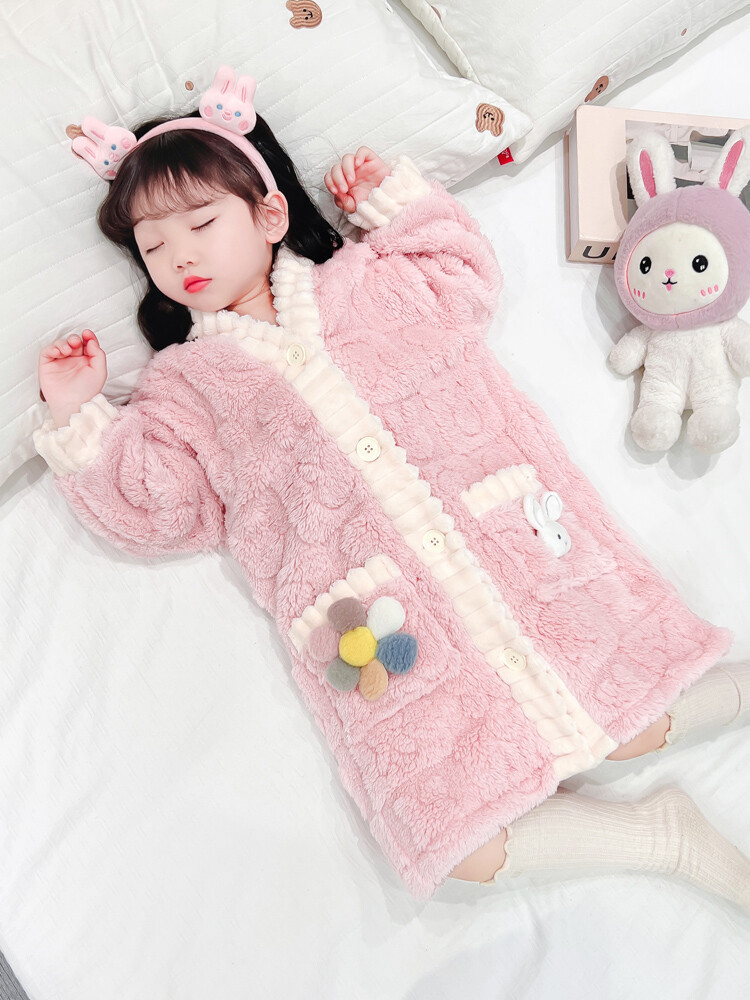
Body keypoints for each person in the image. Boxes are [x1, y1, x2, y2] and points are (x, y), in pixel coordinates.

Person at [34, 66, 750, 909]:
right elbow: (162, 508)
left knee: (632, 712)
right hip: (379, 631)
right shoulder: (185, 390)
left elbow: (462, 273)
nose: (179, 254)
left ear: (270, 216)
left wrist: (390, 201)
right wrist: (81, 420)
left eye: (200, 223)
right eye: (152, 247)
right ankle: (660, 838)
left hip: (513, 549)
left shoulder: (369, 281)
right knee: (459, 843)